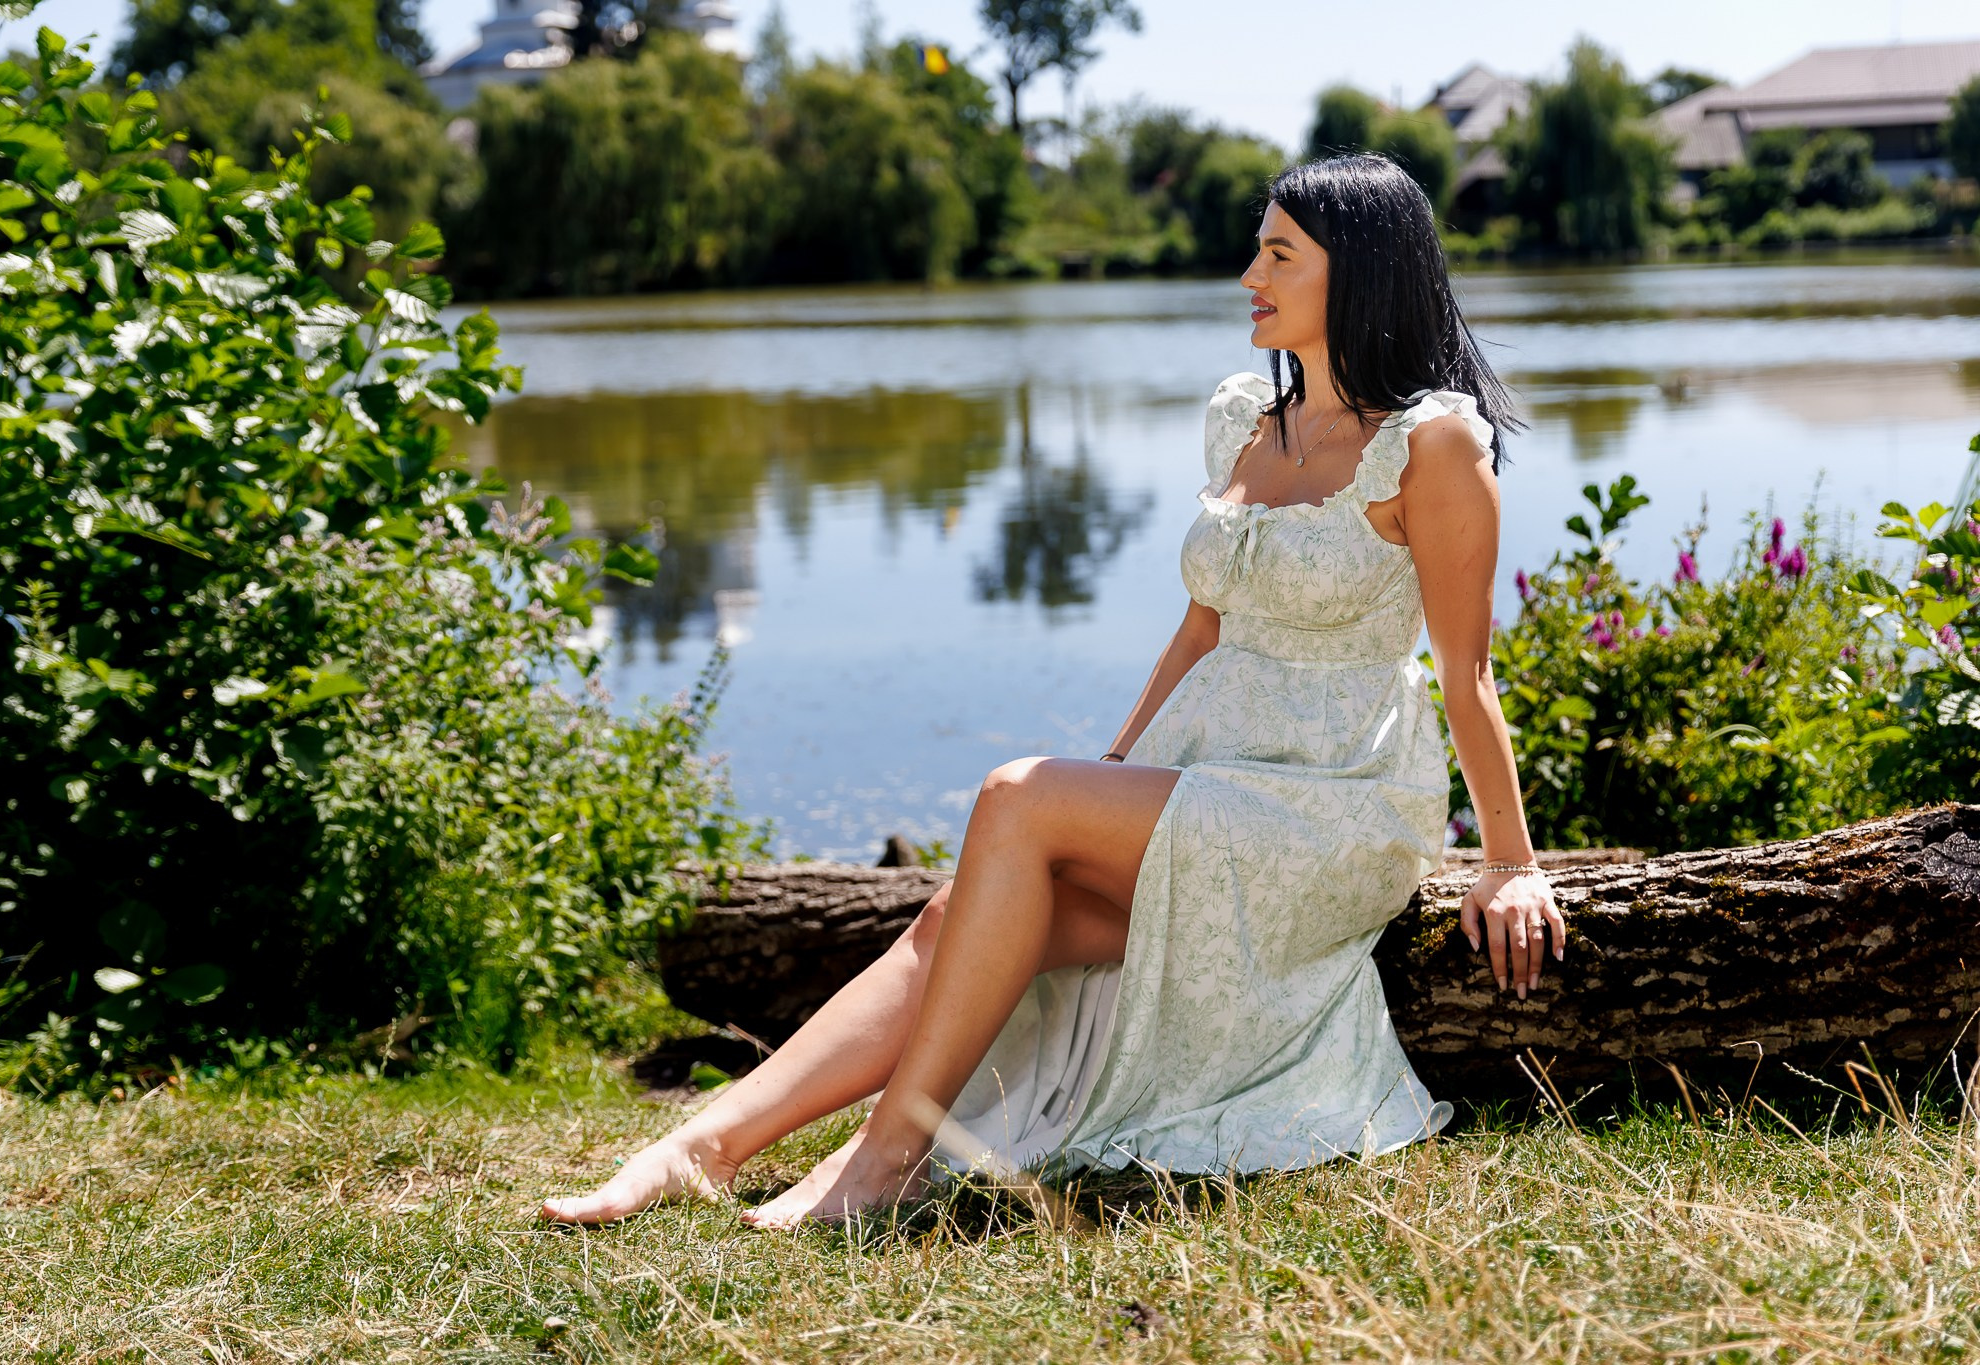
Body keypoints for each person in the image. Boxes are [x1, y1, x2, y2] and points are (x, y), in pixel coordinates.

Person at [539, 153, 1565, 1230]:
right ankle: (699, 1145)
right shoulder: (1243, 420)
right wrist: (1113, 774)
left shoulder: (1432, 444)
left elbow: (1466, 672)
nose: (1246, 275)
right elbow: (1203, 628)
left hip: (1329, 799)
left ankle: (885, 1158)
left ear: (1355, 271)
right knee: (958, 916)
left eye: (1276, 254)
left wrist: (1508, 863)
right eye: (1255, 248)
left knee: (1013, 794)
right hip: (1205, 771)